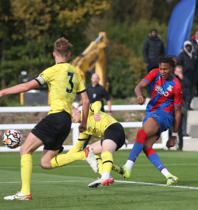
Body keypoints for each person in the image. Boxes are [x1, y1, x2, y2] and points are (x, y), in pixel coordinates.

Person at [0, 37, 98, 200]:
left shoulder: (51, 71)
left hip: (55, 118)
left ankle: (25, 192)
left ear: (54, 54)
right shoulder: (75, 72)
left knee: (25, 149)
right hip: (66, 122)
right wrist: (83, 123)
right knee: (46, 163)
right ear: (68, 55)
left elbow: (26, 87)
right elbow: (86, 100)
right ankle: (83, 154)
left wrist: (3, 92)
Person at [112, 55, 182, 186]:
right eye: (161, 69)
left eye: (165, 69)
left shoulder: (176, 85)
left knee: (141, 133)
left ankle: (127, 167)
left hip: (164, 115)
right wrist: (139, 95)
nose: (162, 72)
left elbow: (178, 113)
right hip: (152, 112)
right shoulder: (155, 73)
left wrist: (173, 136)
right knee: (146, 146)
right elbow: (138, 87)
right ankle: (169, 175)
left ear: (172, 68)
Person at [66, 101, 125, 188]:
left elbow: (97, 103)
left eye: (71, 115)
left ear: (77, 110)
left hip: (114, 129)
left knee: (105, 149)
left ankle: (105, 176)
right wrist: (62, 159)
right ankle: (105, 174)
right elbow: (76, 148)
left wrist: (96, 112)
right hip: (111, 137)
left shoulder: (86, 112)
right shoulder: (84, 129)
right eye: (69, 119)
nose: (72, 119)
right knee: (88, 152)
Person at [77, 73, 112, 149]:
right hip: (90, 114)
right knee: (87, 131)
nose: (95, 80)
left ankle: (109, 146)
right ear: (91, 79)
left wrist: (109, 111)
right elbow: (85, 99)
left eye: (97, 78)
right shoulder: (88, 88)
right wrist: (80, 104)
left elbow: (108, 100)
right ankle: (82, 149)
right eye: (94, 78)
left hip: (99, 114)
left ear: (99, 80)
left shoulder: (102, 89)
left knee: (105, 130)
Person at [142, 29, 165, 97]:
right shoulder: (147, 41)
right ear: (151, 33)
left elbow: (162, 52)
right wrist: (146, 61)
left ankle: (158, 93)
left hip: (158, 64)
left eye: (155, 32)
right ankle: (149, 93)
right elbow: (144, 51)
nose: (154, 33)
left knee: (159, 79)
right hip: (150, 63)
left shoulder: (160, 42)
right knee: (149, 79)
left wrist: (162, 61)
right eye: (153, 32)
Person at [177, 41, 198, 110]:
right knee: (186, 91)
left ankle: (188, 104)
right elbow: (179, 64)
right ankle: (185, 105)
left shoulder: (194, 54)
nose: (188, 47)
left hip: (193, 76)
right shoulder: (182, 55)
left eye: (189, 46)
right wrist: (182, 71)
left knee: (192, 92)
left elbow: (197, 65)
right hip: (185, 76)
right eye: (187, 46)